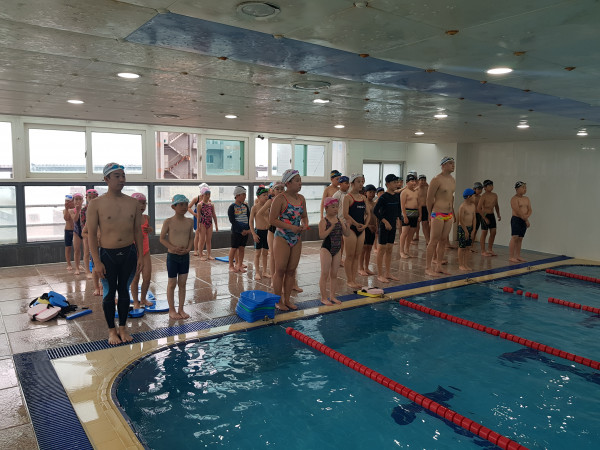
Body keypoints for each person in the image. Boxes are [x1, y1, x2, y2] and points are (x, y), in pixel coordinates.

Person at [86, 163, 143, 345]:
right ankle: (112, 330)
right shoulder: (96, 204)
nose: (121, 179)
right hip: (107, 255)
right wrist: (96, 262)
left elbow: (138, 232)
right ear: (106, 179)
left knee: (124, 291)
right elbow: (91, 235)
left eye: (123, 176)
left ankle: (123, 328)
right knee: (109, 293)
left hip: (129, 253)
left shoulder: (133, 203)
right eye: (117, 176)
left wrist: (141, 256)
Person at [269, 169, 308, 311]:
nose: (300, 183)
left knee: (291, 271)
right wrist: (291, 227)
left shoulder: (301, 199)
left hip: (296, 237)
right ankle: (278, 301)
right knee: (280, 270)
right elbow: (272, 220)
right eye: (297, 180)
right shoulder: (280, 198)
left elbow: (304, 216)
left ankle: (287, 300)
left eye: (300, 180)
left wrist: (305, 224)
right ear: (288, 183)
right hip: (282, 237)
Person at [159, 194, 194, 320]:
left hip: (185, 256)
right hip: (172, 256)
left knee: (182, 284)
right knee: (172, 284)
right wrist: (172, 248)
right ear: (173, 207)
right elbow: (162, 238)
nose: (184, 207)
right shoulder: (168, 222)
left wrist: (188, 249)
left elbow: (191, 237)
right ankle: (172, 309)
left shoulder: (189, 221)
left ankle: (181, 309)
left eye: (186, 204)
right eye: (181, 204)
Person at [425, 156, 456, 277]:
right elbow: (429, 199)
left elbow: (451, 198)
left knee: (443, 241)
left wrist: (453, 212)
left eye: (453, 163)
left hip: (449, 214)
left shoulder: (452, 180)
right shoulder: (436, 180)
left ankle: (438, 266)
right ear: (443, 165)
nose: (453, 165)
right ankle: (428, 267)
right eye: (450, 163)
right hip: (437, 213)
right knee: (433, 241)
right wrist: (429, 215)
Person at [319, 197, 349, 305]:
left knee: (334, 274)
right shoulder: (323, 221)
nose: (335, 209)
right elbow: (322, 236)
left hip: (337, 249)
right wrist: (331, 227)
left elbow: (346, 234)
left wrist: (348, 226)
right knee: (325, 274)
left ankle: (332, 296)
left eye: (336, 207)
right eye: (333, 207)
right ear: (326, 208)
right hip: (326, 249)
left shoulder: (339, 220)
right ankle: (323, 297)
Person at [343, 173, 369, 289]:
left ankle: (354, 279)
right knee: (350, 255)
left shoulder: (363, 198)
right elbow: (345, 214)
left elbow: (368, 213)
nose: (361, 184)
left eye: (362, 182)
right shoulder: (347, 197)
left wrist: (365, 225)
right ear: (352, 183)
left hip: (361, 229)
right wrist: (356, 224)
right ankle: (349, 280)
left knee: (357, 256)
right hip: (351, 229)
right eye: (358, 182)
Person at [374, 174, 401, 283]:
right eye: (394, 182)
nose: (396, 184)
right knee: (381, 250)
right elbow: (375, 211)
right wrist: (385, 222)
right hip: (384, 226)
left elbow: (398, 210)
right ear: (387, 184)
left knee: (390, 249)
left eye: (397, 182)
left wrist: (398, 221)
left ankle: (388, 273)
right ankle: (380, 274)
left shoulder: (397, 196)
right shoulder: (383, 197)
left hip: (393, 225)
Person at [130, 193, 154, 309]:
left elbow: (149, 229)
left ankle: (143, 298)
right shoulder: (129, 219)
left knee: (147, 277)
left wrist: (150, 229)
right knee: (135, 278)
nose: (142, 206)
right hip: (134, 252)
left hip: (145, 251)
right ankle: (136, 301)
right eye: (139, 203)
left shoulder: (146, 218)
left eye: (144, 203)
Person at [260, 181, 285, 282]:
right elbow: (260, 213)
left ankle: (287, 280)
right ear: (273, 191)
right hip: (272, 230)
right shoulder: (271, 201)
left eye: (282, 189)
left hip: (283, 230)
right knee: (273, 254)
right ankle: (274, 278)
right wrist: (268, 222)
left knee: (284, 256)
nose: (280, 191)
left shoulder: (287, 200)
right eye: (277, 189)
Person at [227, 186, 250, 273]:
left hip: (245, 231)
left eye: (245, 195)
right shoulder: (232, 207)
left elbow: (249, 218)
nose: (245, 197)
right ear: (237, 196)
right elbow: (232, 220)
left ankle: (239, 265)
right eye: (243, 195)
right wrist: (241, 230)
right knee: (233, 248)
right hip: (236, 231)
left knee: (242, 248)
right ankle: (231, 265)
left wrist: (248, 230)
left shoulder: (245, 206)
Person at [250, 186, 270, 280]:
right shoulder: (254, 208)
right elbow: (250, 222)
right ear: (258, 197)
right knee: (257, 253)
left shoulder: (268, 206)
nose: (266, 197)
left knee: (265, 253)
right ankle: (257, 272)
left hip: (267, 232)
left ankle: (265, 272)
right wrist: (253, 234)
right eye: (264, 195)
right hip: (258, 232)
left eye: (267, 195)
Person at [399, 174, 421, 258]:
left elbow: (419, 204)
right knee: (404, 233)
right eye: (412, 181)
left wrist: (420, 215)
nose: (414, 183)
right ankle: (401, 251)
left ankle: (407, 250)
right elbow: (402, 205)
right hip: (407, 213)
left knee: (411, 234)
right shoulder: (404, 192)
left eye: (414, 181)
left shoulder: (416, 192)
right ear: (407, 182)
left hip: (415, 214)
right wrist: (404, 216)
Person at [509, 181, 532, 263]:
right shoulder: (514, 199)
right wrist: (526, 219)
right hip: (516, 219)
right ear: (517, 189)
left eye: (525, 188)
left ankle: (518, 255)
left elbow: (530, 210)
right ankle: (511, 257)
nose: (525, 189)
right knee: (515, 237)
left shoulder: (527, 198)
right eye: (523, 188)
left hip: (524, 219)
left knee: (520, 238)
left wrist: (526, 217)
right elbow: (517, 211)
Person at [478, 179, 501, 256]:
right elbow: (478, 208)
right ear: (485, 187)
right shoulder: (483, 196)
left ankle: (490, 249)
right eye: (489, 185)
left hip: (492, 215)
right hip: (485, 214)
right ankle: (483, 251)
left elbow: (496, 206)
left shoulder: (495, 195)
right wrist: (484, 218)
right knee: (484, 233)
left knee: (493, 232)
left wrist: (498, 214)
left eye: (492, 185)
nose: (491, 187)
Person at [196, 184, 218, 261]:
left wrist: (216, 225)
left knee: (208, 240)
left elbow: (214, 215)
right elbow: (198, 216)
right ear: (202, 195)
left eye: (209, 194)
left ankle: (209, 255)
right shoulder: (199, 205)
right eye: (206, 194)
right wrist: (198, 226)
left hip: (210, 223)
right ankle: (200, 255)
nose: (208, 196)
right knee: (202, 240)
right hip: (202, 223)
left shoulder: (211, 204)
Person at [359, 184, 377, 276]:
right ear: (365, 193)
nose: (372, 194)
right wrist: (368, 225)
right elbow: (362, 217)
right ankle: (360, 268)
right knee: (363, 248)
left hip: (373, 228)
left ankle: (366, 267)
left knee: (369, 248)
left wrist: (376, 226)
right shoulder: (363, 203)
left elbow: (376, 216)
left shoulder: (375, 204)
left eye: (374, 192)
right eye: (370, 192)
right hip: (365, 227)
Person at [457, 188, 477, 271]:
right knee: (462, 247)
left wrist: (473, 230)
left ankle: (465, 264)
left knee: (468, 247)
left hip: (470, 228)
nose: (475, 197)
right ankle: (461, 264)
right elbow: (461, 220)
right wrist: (465, 231)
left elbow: (474, 218)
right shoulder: (462, 207)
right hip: (462, 228)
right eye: (473, 196)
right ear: (469, 197)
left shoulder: (473, 206)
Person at [332, 175, 350, 265]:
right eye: (346, 183)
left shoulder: (348, 194)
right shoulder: (336, 195)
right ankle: (336, 259)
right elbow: (332, 209)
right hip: (339, 221)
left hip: (347, 221)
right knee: (339, 242)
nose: (348, 185)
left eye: (348, 183)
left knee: (344, 242)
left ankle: (340, 258)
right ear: (340, 184)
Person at [81, 189, 98, 278]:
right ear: (86, 198)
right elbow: (83, 224)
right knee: (87, 252)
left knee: (96, 252)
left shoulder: (100, 208)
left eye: (94, 197)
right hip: (87, 233)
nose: (92, 199)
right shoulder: (84, 210)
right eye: (90, 197)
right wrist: (88, 235)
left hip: (98, 233)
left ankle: (96, 268)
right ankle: (87, 270)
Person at [82, 223, 102, 296]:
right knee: (94, 268)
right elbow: (83, 233)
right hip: (95, 247)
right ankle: (96, 287)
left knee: (105, 267)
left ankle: (102, 287)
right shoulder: (91, 220)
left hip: (106, 247)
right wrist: (92, 237)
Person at [188, 183, 208, 257]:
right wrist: (194, 214)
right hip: (197, 217)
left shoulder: (208, 199)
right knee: (197, 234)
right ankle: (195, 250)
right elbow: (188, 207)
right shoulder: (196, 199)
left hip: (204, 218)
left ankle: (201, 250)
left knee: (203, 235)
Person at [69, 193, 85, 274]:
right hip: (76, 233)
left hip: (85, 232)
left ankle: (88, 268)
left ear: (83, 200)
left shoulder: (85, 209)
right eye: (76, 199)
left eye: (80, 199)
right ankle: (77, 268)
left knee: (86, 251)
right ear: (73, 201)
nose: (78, 201)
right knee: (77, 250)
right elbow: (75, 220)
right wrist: (78, 210)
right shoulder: (71, 210)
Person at [413, 175, 430, 244]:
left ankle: (427, 239)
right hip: (418, 208)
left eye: (424, 180)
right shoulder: (416, 190)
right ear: (418, 181)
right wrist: (420, 215)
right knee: (417, 224)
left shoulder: (427, 188)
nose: (423, 182)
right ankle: (416, 236)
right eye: (421, 180)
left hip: (426, 208)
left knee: (426, 224)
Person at [471, 182, 483, 253]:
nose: (480, 191)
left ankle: (471, 246)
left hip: (478, 215)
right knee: (469, 231)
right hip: (471, 215)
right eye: (479, 189)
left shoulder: (481, 197)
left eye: (481, 189)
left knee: (475, 231)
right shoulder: (470, 197)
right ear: (474, 189)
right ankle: (467, 246)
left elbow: (482, 208)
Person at [63, 194, 75, 272]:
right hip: (68, 230)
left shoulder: (76, 209)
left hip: (76, 230)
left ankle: (78, 263)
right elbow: (66, 218)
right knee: (68, 247)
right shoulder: (65, 210)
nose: (67, 203)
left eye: (69, 201)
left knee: (77, 248)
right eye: (66, 201)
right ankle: (69, 264)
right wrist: (67, 208)